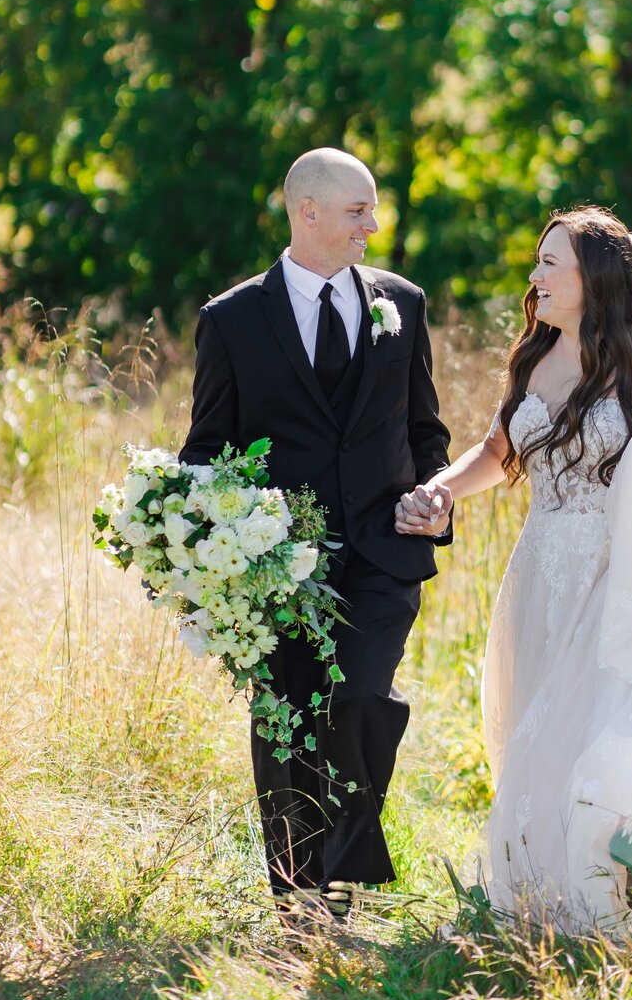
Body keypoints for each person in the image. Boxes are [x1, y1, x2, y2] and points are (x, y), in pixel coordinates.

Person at [396, 206, 632, 943]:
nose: (535, 277)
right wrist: (440, 490)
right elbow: (499, 454)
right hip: (542, 576)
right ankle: (559, 897)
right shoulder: (534, 358)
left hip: (625, 575)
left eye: (549, 262)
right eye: (538, 262)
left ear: (593, 275)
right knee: (549, 735)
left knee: (628, 727)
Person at [180, 148, 451, 915]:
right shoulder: (231, 321)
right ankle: (299, 898)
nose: (374, 223)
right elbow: (207, 450)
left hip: (381, 552)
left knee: (363, 700)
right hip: (276, 565)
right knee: (287, 722)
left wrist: (435, 498)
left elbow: (427, 432)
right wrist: (200, 536)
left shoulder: (404, 302)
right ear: (308, 212)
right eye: (358, 210)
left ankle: (340, 874)